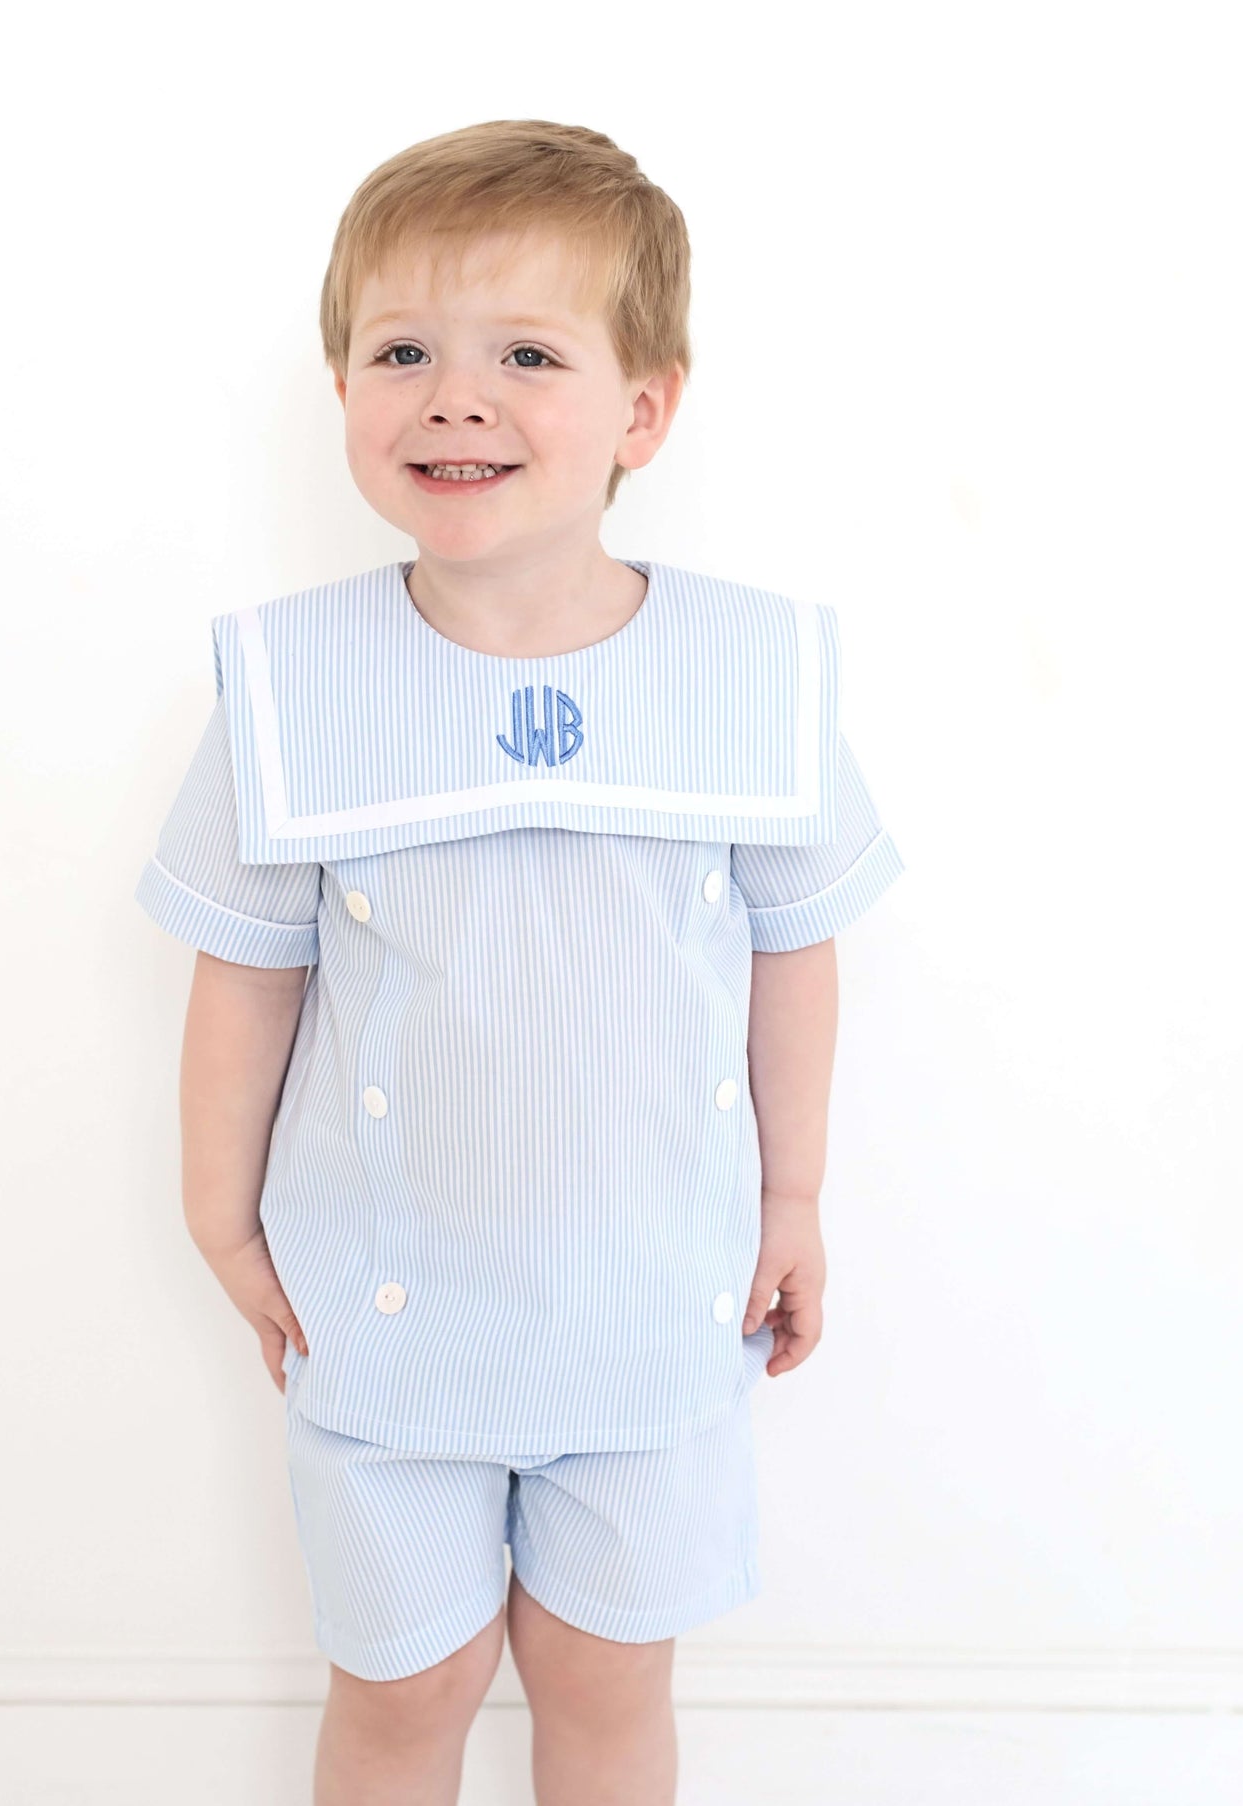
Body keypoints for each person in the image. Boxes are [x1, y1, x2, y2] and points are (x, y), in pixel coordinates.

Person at [134, 118, 905, 1806]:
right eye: (399, 350)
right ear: (339, 382)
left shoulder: (745, 673)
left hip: (651, 1311)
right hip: (386, 1318)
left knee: (606, 1692)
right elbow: (247, 971)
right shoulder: (296, 687)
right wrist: (218, 1208)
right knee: (404, 1694)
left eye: (524, 356)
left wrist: (793, 1202)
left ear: (642, 407)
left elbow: (792, 951)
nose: (453, 396)